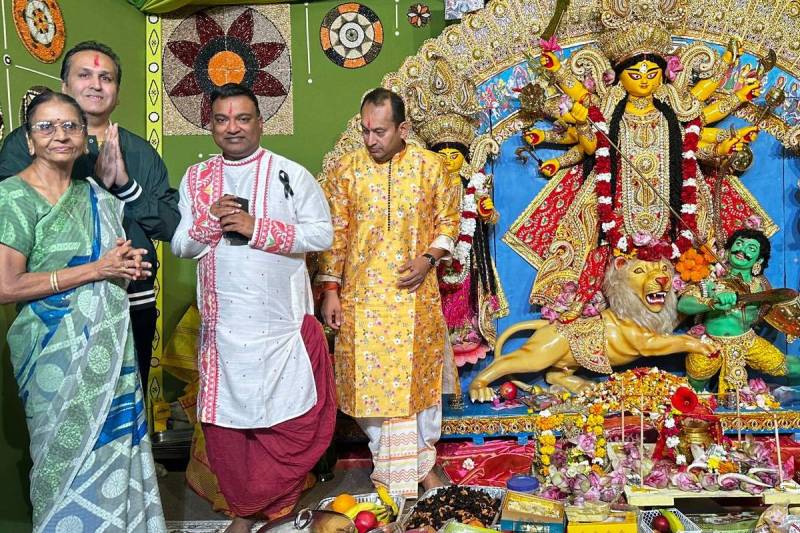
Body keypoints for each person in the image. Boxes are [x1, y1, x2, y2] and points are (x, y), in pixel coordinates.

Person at [171, 83, 335, 533]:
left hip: (278, 328)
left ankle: (275, 511)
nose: (232, 128)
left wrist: (256, 226)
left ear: (260, 123)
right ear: (210, 126)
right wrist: (209, 220)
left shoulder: (291, 174)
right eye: (222, 119)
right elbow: (182, 245)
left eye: (242, 118)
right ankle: (244, 512)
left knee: (287, 420)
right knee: (226, 429)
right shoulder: (197, 178)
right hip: (223, 333)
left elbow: (322, 235)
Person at [0, 92, 165, 532]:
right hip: (52, 358)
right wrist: (98, 269)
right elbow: (6, 286)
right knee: (61, 458)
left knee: (113, 451)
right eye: (46, 126)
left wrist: (125, 267)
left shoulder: (98, 197)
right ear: (30, 140)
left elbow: (110, 270)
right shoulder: (13, 197)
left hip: (108, 355)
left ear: (84, 139)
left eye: (71, 126)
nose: (60, 135)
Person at [0, 41, 179, 392]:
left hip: (132, 304)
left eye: (106, 77)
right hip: (55, 309)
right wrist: (94, 177)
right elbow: (15, 221)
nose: (96, 84)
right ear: (64, 85)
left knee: (125, 421)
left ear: (117, 92)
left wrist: (126, 186)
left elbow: (172, 226)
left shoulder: (140, 151)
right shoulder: (26, 146)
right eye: (85, 75)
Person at [318, 88, 460, 497]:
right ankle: (408, 471)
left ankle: (417, 468)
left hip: (415, 298)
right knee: (373, 387)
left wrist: (429, 258)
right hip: (364, 300)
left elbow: (449, 222)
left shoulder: (433, 168)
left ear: (403, 128)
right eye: (365, 131)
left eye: (379, 131)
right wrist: (331, 290)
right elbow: (335, 236)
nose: (370, 140)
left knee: (418, 385)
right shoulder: (346, 171)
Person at [680, 228, 800, 393]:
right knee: (694, 382)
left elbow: (777, 308)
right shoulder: (711, 279)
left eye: (751, 249)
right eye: (739, 244)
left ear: (758, 261)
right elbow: (683, 305)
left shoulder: (761, 286)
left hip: (747, 341)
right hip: (709, 342)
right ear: (728, 251)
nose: (742, 251)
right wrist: (712, 303)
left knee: (793, 368)